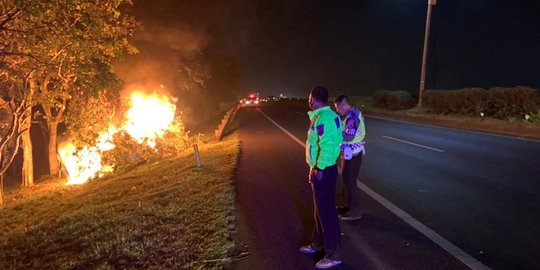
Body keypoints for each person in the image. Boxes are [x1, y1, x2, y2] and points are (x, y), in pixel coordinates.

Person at [299, 86, 343, 269]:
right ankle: (318, 244)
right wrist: (313, 167)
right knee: (319, 210)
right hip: (319, 168)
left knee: (327, 212)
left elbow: (329, 146)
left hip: (324, 170)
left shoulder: (325, 118)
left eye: (310, 98)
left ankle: (334, 254)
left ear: (315, 99)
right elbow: (316, 145)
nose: (308, 101)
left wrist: (320, 168)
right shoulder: (321, 116)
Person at [334, 95, 366, 221]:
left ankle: (355, 211)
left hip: (353, 156)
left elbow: (348, 137)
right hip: (349, 154)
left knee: (350, 183)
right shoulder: (350, 115)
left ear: (344, 105)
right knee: (346, 182)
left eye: (337, 107)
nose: (337, 110)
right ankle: (349, 206)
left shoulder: (352, 117)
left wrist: (335, 133)